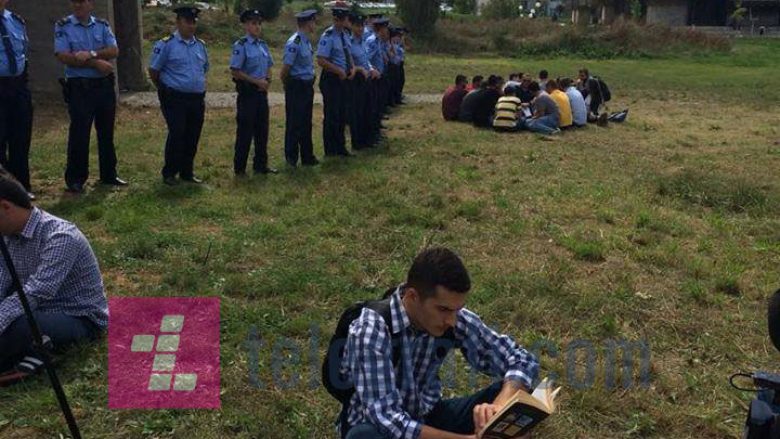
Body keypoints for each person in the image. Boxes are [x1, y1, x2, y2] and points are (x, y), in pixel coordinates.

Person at [335, 247, 539, 439]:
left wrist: (498, 409)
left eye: (457, 309)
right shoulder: (371, 329)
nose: (451, 320)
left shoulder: (453, 318)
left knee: (517, 394)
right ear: (412, 296)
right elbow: (386, 419)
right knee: (364, 435)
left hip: (428, 418)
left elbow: (522, 360)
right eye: (443, 310)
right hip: (380, 429)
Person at [0, 170, 107, 382]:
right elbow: (1, 279)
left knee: (20, 324)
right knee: (15, 320)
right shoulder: (7, 236)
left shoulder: (60, 236)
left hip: (77, 317)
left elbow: (37, 292)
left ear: (5, 207)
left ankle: (31, 353)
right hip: (35, 308)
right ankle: (33, 354)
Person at [55, 0, 127, 194]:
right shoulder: (64, 26)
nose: (77, 5)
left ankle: (108, 174)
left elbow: (114, 50)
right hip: (80, 88)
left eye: (82, 1)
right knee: (80, 133)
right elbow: (63, 56)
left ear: (91, 4)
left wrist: (90, 54)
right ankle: (76, 179)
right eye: (74, 2)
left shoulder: (102, 25)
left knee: (106, 132)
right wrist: (95, 64)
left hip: (103, 87)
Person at [149, 6, 209, 186]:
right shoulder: (166, 44)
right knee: (177, 133)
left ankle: (187, 171)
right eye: (188, 22)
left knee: (192, 134)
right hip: (174, 98)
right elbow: (154, 70)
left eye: (194, 22)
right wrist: (163, 88)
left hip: (196, 98)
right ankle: (170, 172)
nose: (191, 26)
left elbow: (204, 68)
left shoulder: (200, 45)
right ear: (178, 22)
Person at [230, 9, 276, 177]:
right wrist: (257, 82)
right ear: (246, 25)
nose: (257, 27)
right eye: (253, 23)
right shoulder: (241, 45)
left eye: (258, 23)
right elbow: (235, 71)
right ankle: (240, 168)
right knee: (245, 132)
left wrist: (268, 81)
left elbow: (270, 65)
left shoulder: (262, 45)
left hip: (261, 94)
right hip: (248, 94)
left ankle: (261, 165)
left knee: (262, 130)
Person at [0, 0, 33, 199]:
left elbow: (23, 52)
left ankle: (21, 189)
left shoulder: (16, 21)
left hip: (18, 86)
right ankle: (3, 191)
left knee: (21, 138)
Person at [281, 9, 318, 168]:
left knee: (306, 122)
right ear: (307, 23)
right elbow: (285, 69)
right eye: (313, 21)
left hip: (307, 86)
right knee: (294, 122)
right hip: (296, 86)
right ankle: (291, 157)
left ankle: (307, 156)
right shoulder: (294, 42)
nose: (314, 24)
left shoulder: (306, 41)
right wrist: (289, 85)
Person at [317, 6, 354, 158]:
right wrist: (338, 70)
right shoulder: (328, 36)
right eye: (339, 20)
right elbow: (321, 60)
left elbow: (348, 53)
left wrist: (351, 67)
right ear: (335, 19)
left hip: (344, 79)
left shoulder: (345, 35)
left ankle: (341, 146)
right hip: (331, 79)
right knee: (332, 114)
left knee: (342, 114)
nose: (341, 22)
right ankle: (330, 149)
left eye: (343, 20)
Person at [346, 13, 378, 151]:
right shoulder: (349, 43)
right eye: (357, 26)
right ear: (352, 26)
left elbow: (366, 61)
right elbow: (349, 65)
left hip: (366, 79)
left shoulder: (363, 42)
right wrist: (359, 69)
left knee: (367, 110)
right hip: (356, 81)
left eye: (362, 26)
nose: (360, 29)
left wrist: (371, 69)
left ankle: (367, 139)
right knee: (357, 111)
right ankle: (357, 142)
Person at [365, 18, 390, 146]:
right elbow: (366, 59)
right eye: (385, 28)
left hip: (380, 77)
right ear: (380, 29)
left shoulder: (379, 41)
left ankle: (376, 132)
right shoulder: (372, 41)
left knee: (379, 106)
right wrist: (373, 70)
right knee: (373, 108)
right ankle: (372, 135)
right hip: (373, 79)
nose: (387, 31)